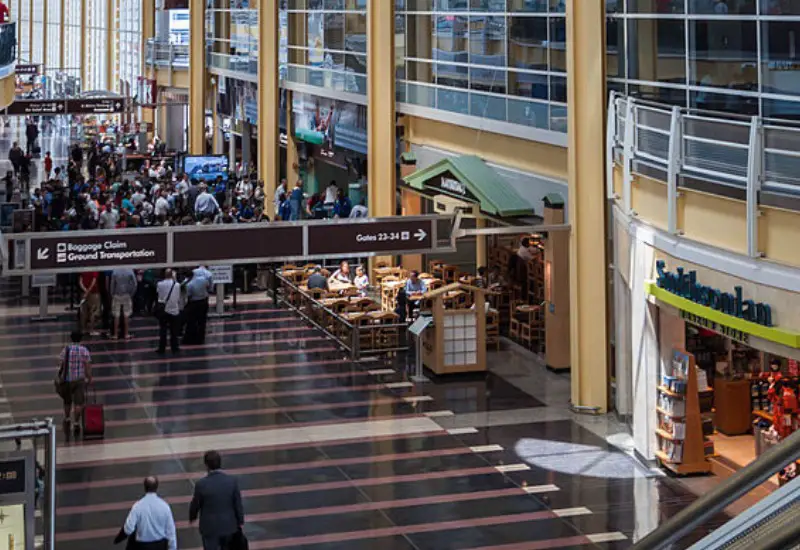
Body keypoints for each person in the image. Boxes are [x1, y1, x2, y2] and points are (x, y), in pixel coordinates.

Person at [189, 450, 245, 550]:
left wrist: (192, 517)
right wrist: (240, 521)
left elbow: (196, 504)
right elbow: (237, 504)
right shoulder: (231, 481)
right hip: (229, 526)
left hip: (209, 528)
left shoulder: (201, 484)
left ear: (206, 465)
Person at [114, 477, 177, 550]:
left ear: (144, 487)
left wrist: (118, 539)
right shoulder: (165, 507)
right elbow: (170, 532)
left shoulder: (138, 506)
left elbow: (128, 528)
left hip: (142, 546)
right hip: (160, 545)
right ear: (156, 487)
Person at [57, 330, 92, 433]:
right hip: (79, 379)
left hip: (67, 379)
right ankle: (76, 422)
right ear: (81, 339)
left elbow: (61, 363)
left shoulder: (66, 350)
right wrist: (89, 378)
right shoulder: (84, 350)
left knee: (67, 401)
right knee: (78, 403)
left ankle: (67, 418)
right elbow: (87, 366)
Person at [183, 268, 213, 346]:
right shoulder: (203, 279)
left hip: (194, 303)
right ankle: (201, 338)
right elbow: (208, 286)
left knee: (192, 321)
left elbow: (189, 296)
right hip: (204, 301)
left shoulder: (189, 284)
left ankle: (192, 338)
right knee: (202, 321)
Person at [156, 269, 182, 354]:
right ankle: (174, 347)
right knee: (174, 331)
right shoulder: (177, 285)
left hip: (163, 309)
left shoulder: (160, 284)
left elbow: (159, 294)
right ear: (172, 275)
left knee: (163, 330)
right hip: (174, 309)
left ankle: (162, 348)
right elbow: (178, 297)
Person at [110, 268, 137, 340]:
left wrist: (112, 294)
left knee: (116, 315)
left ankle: (115, 335)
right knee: (126, 315)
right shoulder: (130, 270)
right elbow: (135, 284)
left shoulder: (115, 270)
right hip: (127, 294)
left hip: (116, 294)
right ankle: (126, 334)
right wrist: (131, 293)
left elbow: (112, 284)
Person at [80, 271, 102, 336]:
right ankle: (91, 330)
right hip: (94, 292)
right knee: (93, 311)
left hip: (83, 293)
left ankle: (83, 329)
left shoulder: (83, 269)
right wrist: (88, 291)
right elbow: (94, 281)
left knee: (84, 312)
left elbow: (80, 281)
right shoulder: (94, 270)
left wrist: (85, 290)